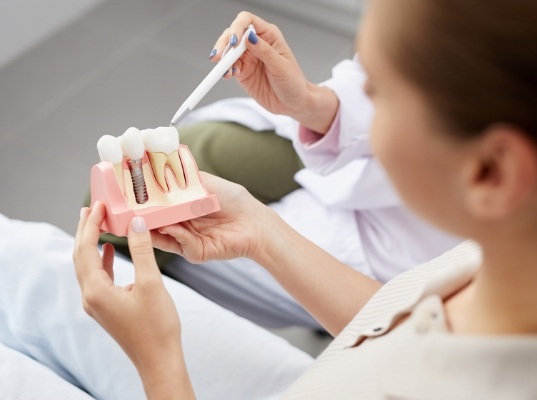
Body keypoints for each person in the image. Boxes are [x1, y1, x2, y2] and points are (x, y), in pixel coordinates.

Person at [73, 1, 537, 398]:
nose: (363, 105)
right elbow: (396, 319)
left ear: (490, 172)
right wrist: (262, 233)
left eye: (378, 92)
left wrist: (160, 363)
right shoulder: (490, 268)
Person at [94, 36, 462, 329]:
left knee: (134, 246)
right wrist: (313, 103)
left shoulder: (450, 317)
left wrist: (264, 236)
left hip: (388, 253)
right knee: (198, 149)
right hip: (353, 156)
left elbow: (391, 332)